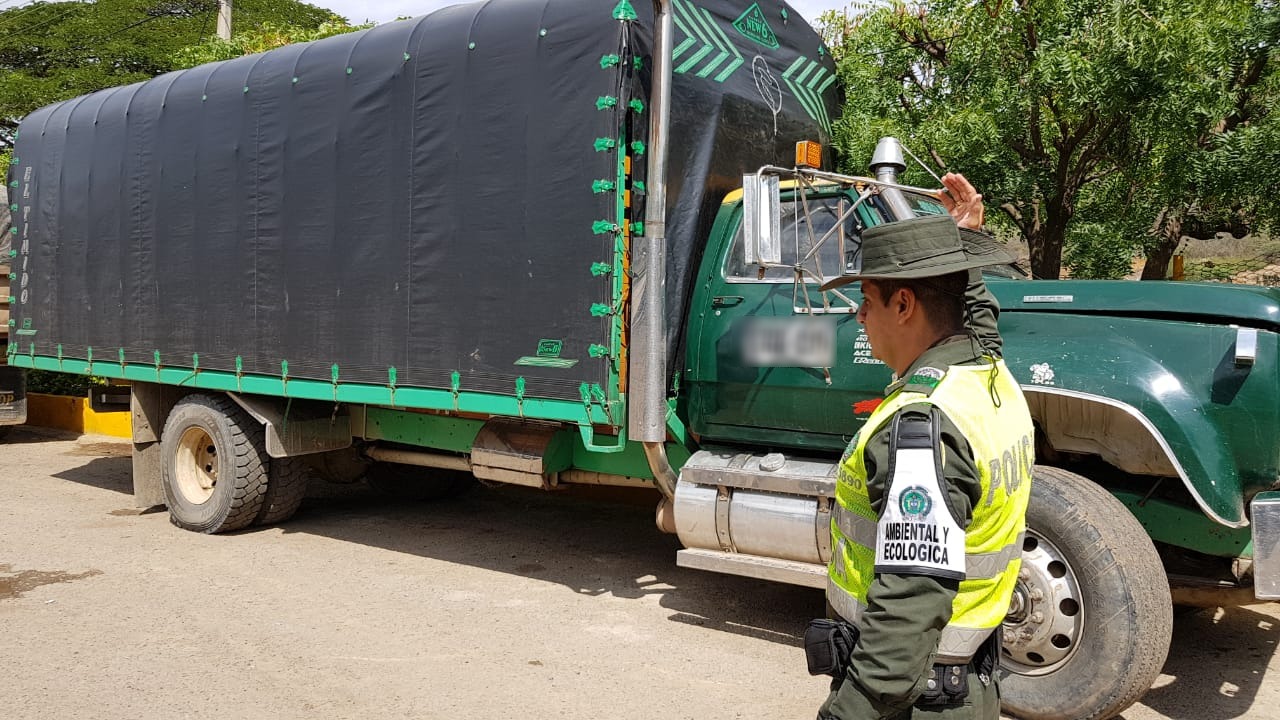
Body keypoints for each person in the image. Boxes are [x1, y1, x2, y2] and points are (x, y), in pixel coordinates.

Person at [807, 184, 1035, 719]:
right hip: (965, 684)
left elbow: (907, 608)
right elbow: (978, 319)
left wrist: (848, 713)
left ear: (904, 303)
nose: (859, 319)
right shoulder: (987, 373)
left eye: (866, 303)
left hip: (916, 701)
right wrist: (962, 244)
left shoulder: (921, 426)